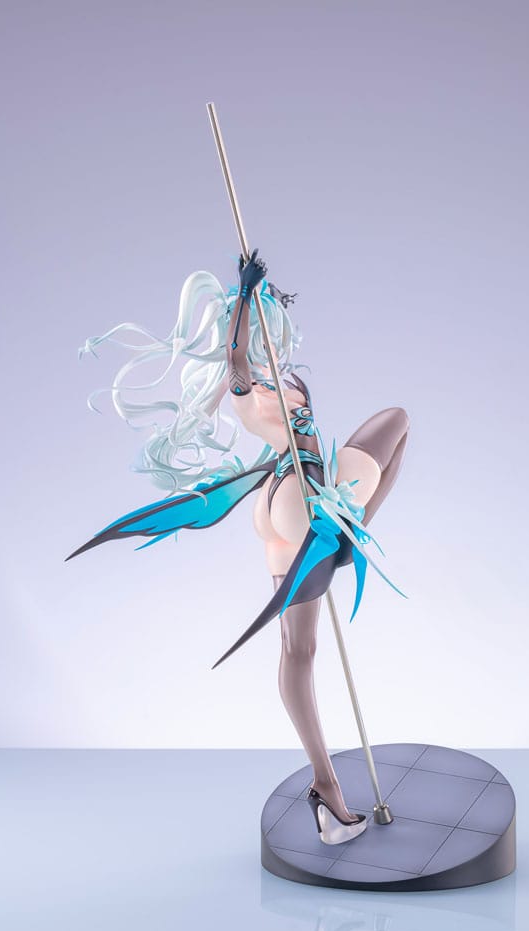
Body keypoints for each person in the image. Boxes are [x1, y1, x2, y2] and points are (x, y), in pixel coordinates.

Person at [68, 250, 409, 845]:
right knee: (396, 421)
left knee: (298, 649)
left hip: (282, 500)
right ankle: (349, 530)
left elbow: (251, 356)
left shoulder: (281, 380)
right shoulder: (246, 389)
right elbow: (235, 359)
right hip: (298, 492)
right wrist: (245, 296)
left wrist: (258, 298)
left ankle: (326, 790)